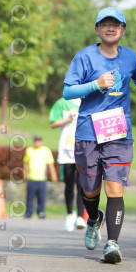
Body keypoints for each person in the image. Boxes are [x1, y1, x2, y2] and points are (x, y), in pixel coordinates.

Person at [63, 7, 136, 264]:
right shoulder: (84, 56)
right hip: (88, 131)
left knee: (115, 188)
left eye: (117, 24)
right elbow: (68, 92)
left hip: (119, 133)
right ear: (97, 29)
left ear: (123, 30)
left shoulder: (130, 56)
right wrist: (96, 84)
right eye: (105, 24)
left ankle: (112, 244)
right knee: (90, 190)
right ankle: (93, 219)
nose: (111, 28)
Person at [49, 97, 86, 231]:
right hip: (66, 150)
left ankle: (81, 217)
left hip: (83, 151)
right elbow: (53, 123)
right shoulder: (62, 102)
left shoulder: (88, 100)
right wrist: (68, 119)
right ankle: (70, 214)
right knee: (69, 184)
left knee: (82, 185)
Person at [23, 135, 58, 218]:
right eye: (36, 141)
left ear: (41, 142)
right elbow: (25, 162)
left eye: (39, 141)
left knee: (41, 197)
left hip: (42, 178)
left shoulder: (46, 150)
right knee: (30, 197)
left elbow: (50, 164)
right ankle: (29, 212)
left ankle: (41, 212)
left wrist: (53, 174)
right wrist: (25, 173)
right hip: (32, 177)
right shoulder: (29, 150)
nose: (37, 142)